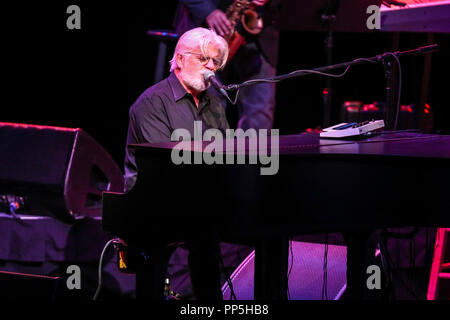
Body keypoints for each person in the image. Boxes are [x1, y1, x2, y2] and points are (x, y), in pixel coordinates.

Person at [123, 27, 229, 300]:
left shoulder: (215, 104)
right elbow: (163, 167)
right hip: (150, 200)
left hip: (195, 198)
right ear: (180, 59)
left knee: (208, 239)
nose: (210, 67)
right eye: (203, 58)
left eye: (215, 62)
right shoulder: (152, 103)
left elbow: (226, 154)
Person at [173, 0, 280, 130]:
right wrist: (208, 11)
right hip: (206, 29)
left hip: (259, 32)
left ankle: (253, 150)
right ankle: (203, 150)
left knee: (260, 114)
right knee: (206, 112)